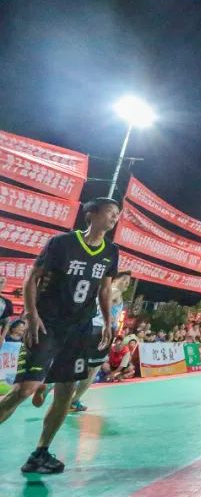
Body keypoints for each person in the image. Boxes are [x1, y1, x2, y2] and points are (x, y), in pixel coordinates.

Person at [0, 197, 120, 474]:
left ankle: (40, 453)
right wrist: (31, 315)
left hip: (80, 328)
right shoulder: (62, 243)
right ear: (91, 214)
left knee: (66, 394)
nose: (115, 217)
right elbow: (32, 278)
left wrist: (107, 322)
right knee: (24, 390)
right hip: (48, 324)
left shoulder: (111, 252)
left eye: (117, 214)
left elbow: (104, 289)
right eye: (110, 212)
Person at [67, 271, 131, 412]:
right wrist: (109, 319)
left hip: (92, 329)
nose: (127, 283)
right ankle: (73, 401)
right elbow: (104, 304)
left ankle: (54, 387)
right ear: (114, 280)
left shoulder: (104, 290)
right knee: (92, 371)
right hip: (101, 332)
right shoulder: (114, 291)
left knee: (79, 365)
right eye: (124, 280)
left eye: (128, 281)